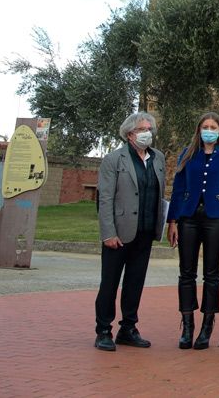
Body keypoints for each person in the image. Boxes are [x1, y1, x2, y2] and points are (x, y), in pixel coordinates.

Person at [166, 112, 219, 350]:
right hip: (189, 216)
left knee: (211, 273)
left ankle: (207, 325)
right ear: (199, 130)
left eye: (213, 127)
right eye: (205, 126)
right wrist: (173, 221)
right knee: (186, 272)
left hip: (216, 218)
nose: (208, 130)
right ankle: (187, 325)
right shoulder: (188, 153)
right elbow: (178, 188)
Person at [93, 111, 167, 351]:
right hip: (119, 233)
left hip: (145, 232)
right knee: (110, 283)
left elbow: (159, 193)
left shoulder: (157, 158)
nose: (147, 133)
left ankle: (128, 328)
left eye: (149, 129)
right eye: (141, 130)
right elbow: (105, 199)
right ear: (129, 134)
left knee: (135, 283)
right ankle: (103, 330)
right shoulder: (114, 160)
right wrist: (108, 233)